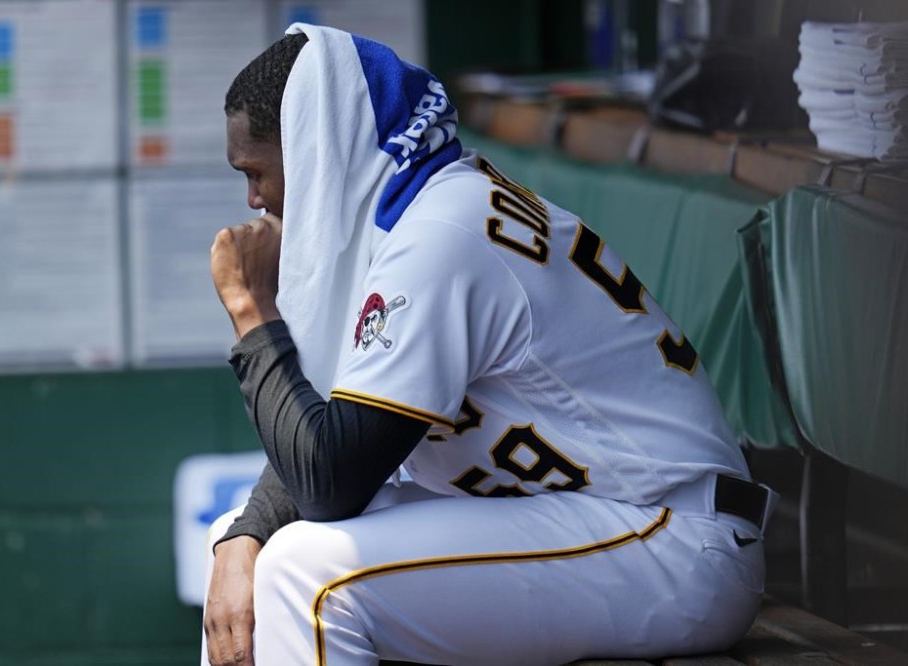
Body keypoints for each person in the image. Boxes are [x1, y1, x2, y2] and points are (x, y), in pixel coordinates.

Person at [204, 23, 776, 666]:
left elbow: (330, 481)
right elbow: (326, 440)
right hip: (597, 521)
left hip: (671, 534)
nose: (253, 201)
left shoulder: (441, 237)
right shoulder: (408, 218)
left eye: (256, 173)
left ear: (315, 155)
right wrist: (242, 538)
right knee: (246, 546)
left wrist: (254, 313)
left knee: (301, 576)